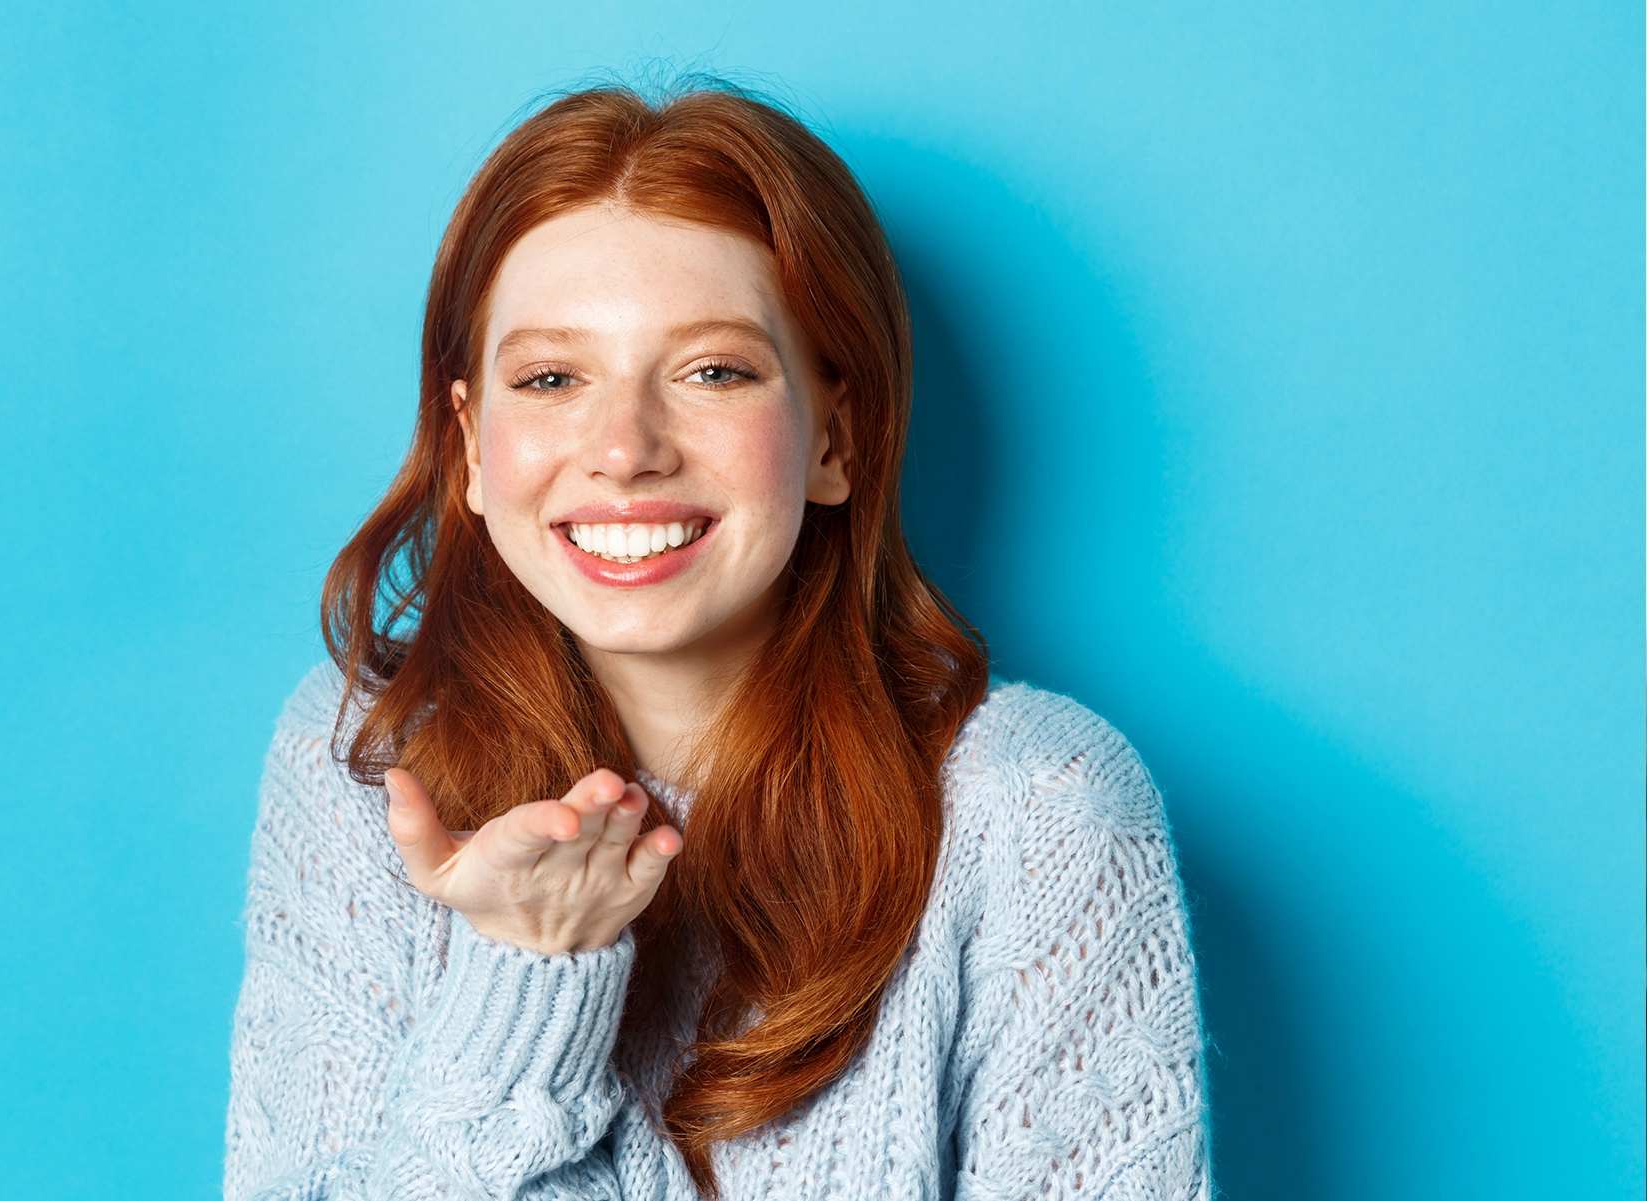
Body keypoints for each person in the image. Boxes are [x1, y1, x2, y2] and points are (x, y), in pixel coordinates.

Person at [223, 81, 1210, 1201]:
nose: (624, 448)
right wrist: (527, 981)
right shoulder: (368, 756)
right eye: (551, 378)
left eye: (713, 371)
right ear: (472, 451)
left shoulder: (1038, 809)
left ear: (835, 437)